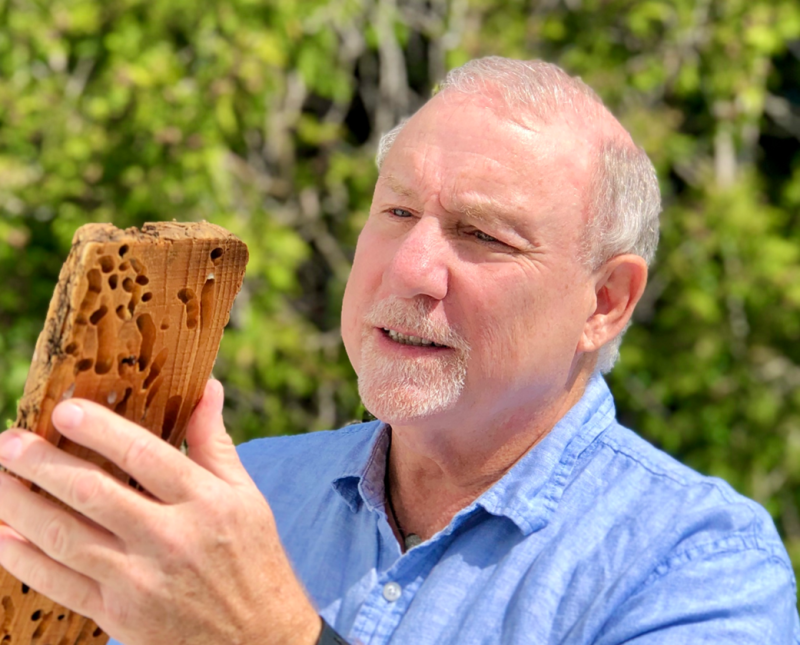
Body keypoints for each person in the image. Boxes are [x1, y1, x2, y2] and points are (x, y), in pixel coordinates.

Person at [0, 57, 797, 645]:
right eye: (397, 210)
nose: (411, 269)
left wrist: (267, 635)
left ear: (605, 301)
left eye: (482, 235)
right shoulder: (246, 493)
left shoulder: (697, 563)